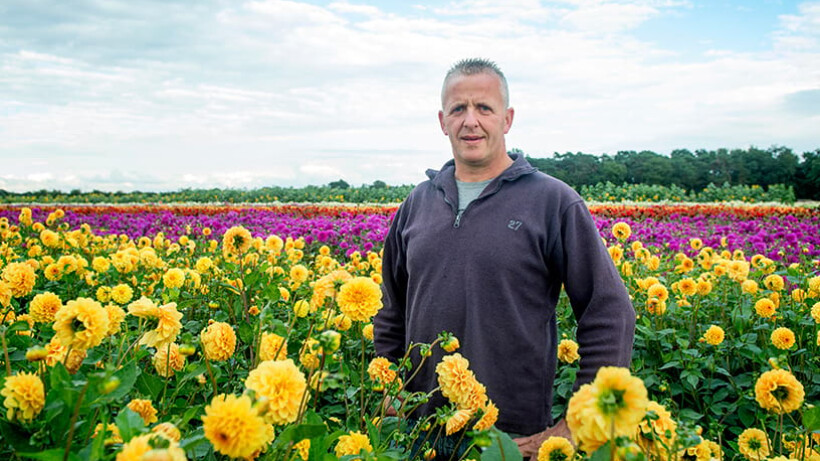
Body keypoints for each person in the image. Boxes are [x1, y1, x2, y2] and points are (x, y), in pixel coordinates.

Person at [373, 58, 635, 459]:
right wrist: (387, 389)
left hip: (510, 439)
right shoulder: (417, 203)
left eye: (484, 108)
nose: (470, 121)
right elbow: (390, 308)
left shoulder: (552, 202)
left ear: (507, 119)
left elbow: (609, 313)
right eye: (458, 109)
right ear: (442, 121)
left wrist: (577, 423)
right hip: (418, 432)